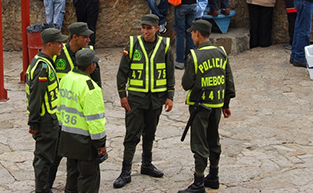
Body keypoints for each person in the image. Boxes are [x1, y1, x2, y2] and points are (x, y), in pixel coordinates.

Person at [112, 14, 174, 189]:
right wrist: (122, 94)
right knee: (132, 135)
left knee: (150, 132)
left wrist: (170, 96)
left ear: (156, 28)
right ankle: (126, 171)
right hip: (136, 99)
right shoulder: (133, 45)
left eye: (149, 28)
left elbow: (170, 73)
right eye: (143, 28)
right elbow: (122, 72)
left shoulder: (165, 46)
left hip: (156, 99)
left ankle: (147, 164)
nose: (145, 31)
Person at [179, 19, 235, 193]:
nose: (191, 35)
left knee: (199, 143)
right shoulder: (221, 53)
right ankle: (214, 176)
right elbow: (229, 80)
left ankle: (198, 182)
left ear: (197, 33)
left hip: (199, 106)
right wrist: (226, 103)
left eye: (192, 33)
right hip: (217, 103)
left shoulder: (194, 56)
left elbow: (187, 84)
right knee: (213, 140)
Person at [57, 48, 107, 193]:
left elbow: (59, 107)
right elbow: (95, 121)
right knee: (88, 179)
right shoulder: (91, 88)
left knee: (72, 177)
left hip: (67, 137)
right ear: (91, 65)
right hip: (85, 142)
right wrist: (100, 144)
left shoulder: (66, 79)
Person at [25, 28, 67, 193]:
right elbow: (36, 97)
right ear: (49, 45)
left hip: (51, 118)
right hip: (45, 120)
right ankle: (41, 189)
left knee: (51, 154)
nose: (61, 46)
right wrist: (34, 122)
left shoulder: (47, 62)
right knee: (43, 157)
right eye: (59, 43)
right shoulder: (42, 67)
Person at [54, 22, 102, 87]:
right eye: (85, 37)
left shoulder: (89, 53)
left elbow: (97, 81)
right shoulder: (58, 53)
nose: (88, 40)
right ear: (75, 37)